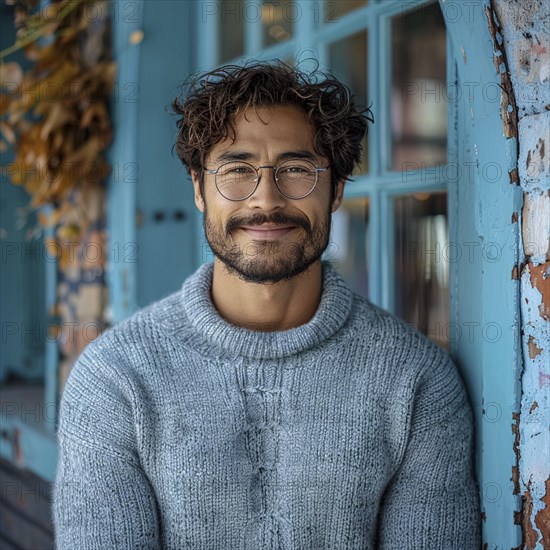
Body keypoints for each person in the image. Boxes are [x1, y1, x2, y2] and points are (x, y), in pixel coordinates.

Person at [53, 60, 481, 549]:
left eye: (296, 170)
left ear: (337, 189)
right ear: (198, 189)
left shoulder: (417, 381)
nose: (266, 200)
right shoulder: (114, 378)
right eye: (236, 171)